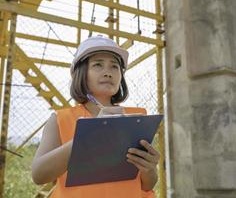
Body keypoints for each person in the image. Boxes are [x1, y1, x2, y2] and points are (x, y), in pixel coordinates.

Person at [31, 35, 160, 198]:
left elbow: (147, 184)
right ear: (80, 73)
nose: (108, 72)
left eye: (114, 67)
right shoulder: (60, 120)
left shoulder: (137, 119)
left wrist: (149, 169)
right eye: (98, 65)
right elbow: (38, 174)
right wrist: (86, 136)